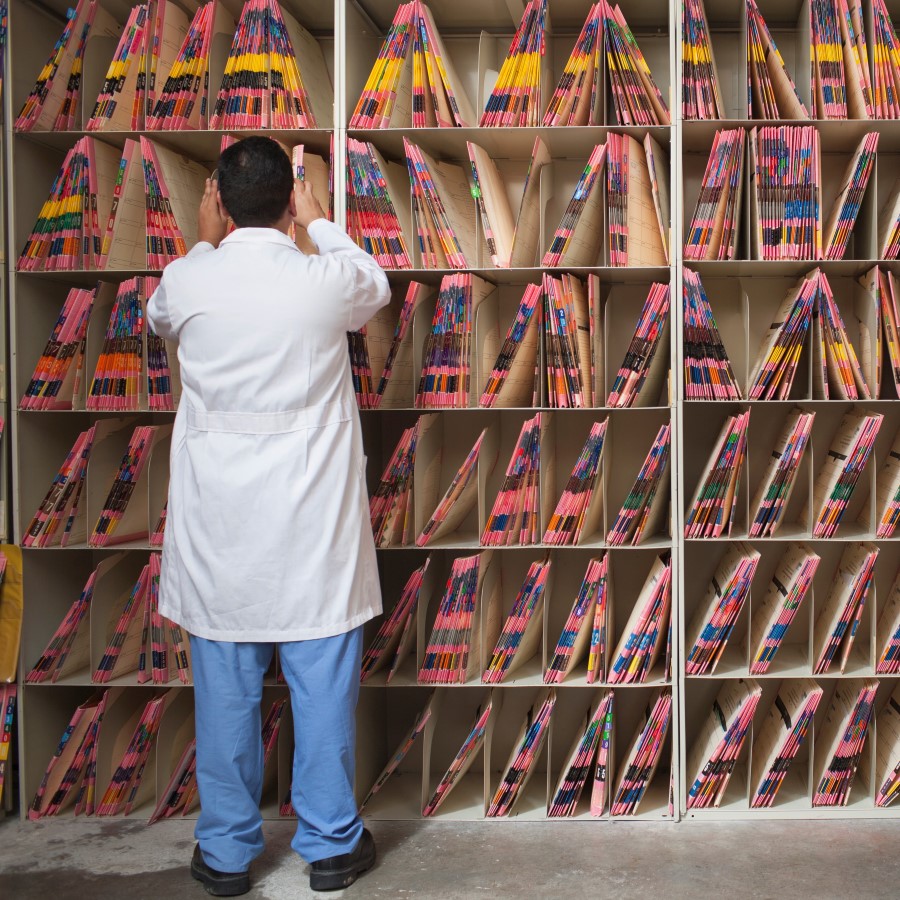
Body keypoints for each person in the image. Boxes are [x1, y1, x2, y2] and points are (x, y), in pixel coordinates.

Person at [147, 136, 391, 895]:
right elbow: (373, 286)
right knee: (322, 694)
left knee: (226, 695)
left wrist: (203, 237)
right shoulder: (324, 280)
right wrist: (316, 220)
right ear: (291, 198)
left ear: (217, 199)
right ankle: (329, 845)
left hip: (220, 530)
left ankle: (225, 853)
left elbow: (163, 316)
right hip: (313, 528)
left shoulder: (186, 279)